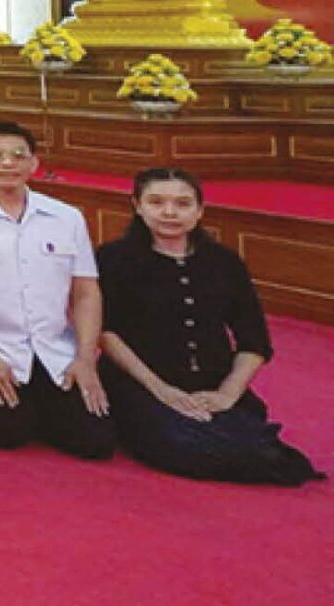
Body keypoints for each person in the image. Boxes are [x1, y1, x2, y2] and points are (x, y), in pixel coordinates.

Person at [96, 168, 320, 485]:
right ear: (137, 205)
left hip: (213, 382)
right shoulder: (113, 259)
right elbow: (106, 333)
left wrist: (227, 393)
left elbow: (253, 339)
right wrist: (163, 391)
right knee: (183, 444)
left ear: (200, 210)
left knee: (250, 438)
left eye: (183, 204)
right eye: (156, 202)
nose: (170, 212)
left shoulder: (224, 262)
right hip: (141, 382)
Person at [0, 122, 116, 460]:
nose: (8, 164)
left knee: (96, 441)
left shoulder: (66, 217)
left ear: (34, 164)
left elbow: (86, 291)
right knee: (8, 432)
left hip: (54, 350)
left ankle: (46, 405)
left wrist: (86, 359)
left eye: (19, 156)